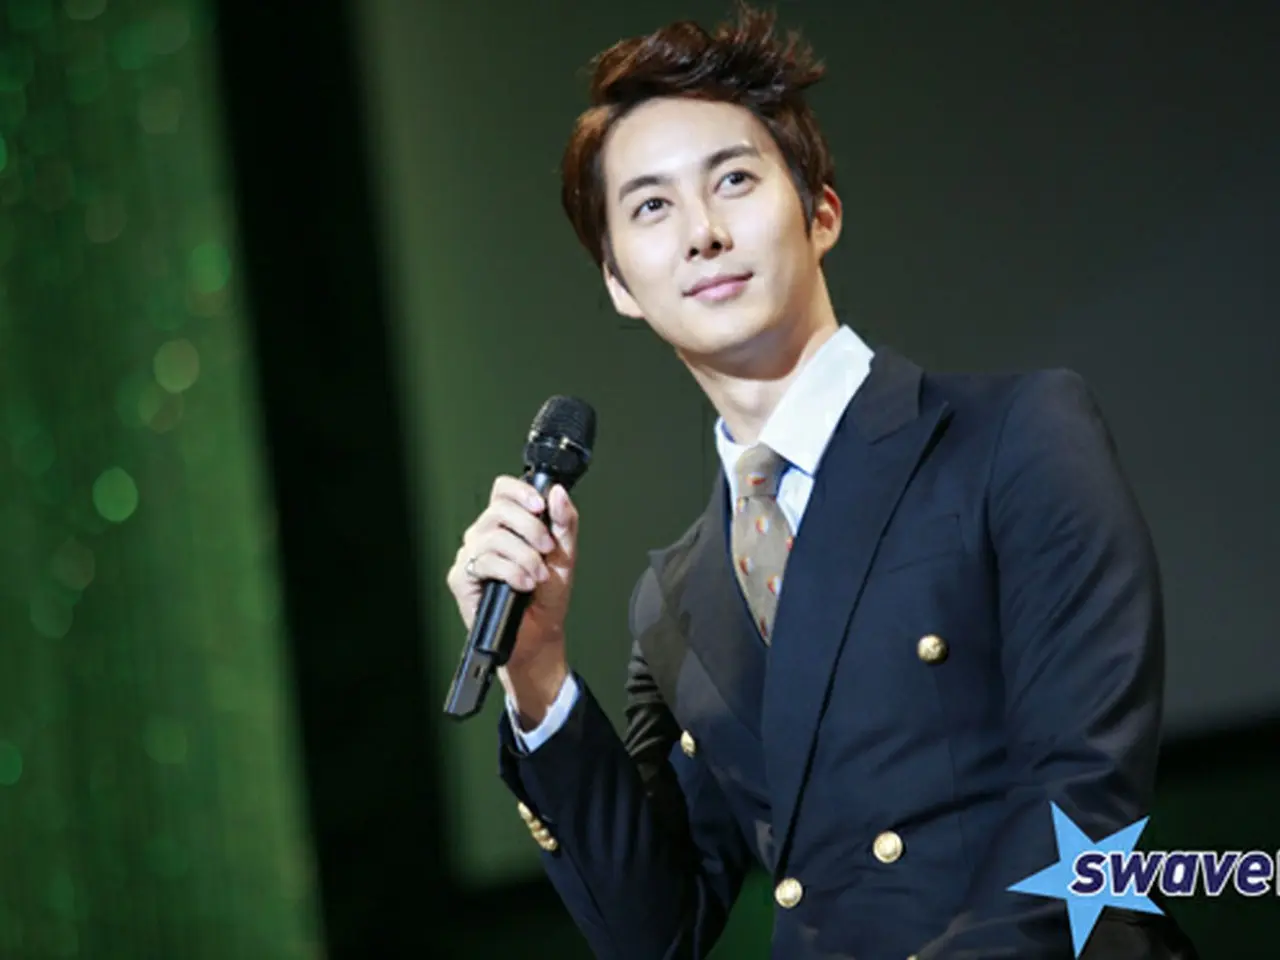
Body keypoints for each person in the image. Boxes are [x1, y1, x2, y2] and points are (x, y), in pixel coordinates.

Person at [446, 6, 1199, 958]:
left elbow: (1083, 809)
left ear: (821, 212)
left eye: (733, 179)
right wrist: (538, 672)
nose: (702, 232)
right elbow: (654, 933)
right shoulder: (678, 599)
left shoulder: (1016, 438)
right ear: (619, 284)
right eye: (651, 207)